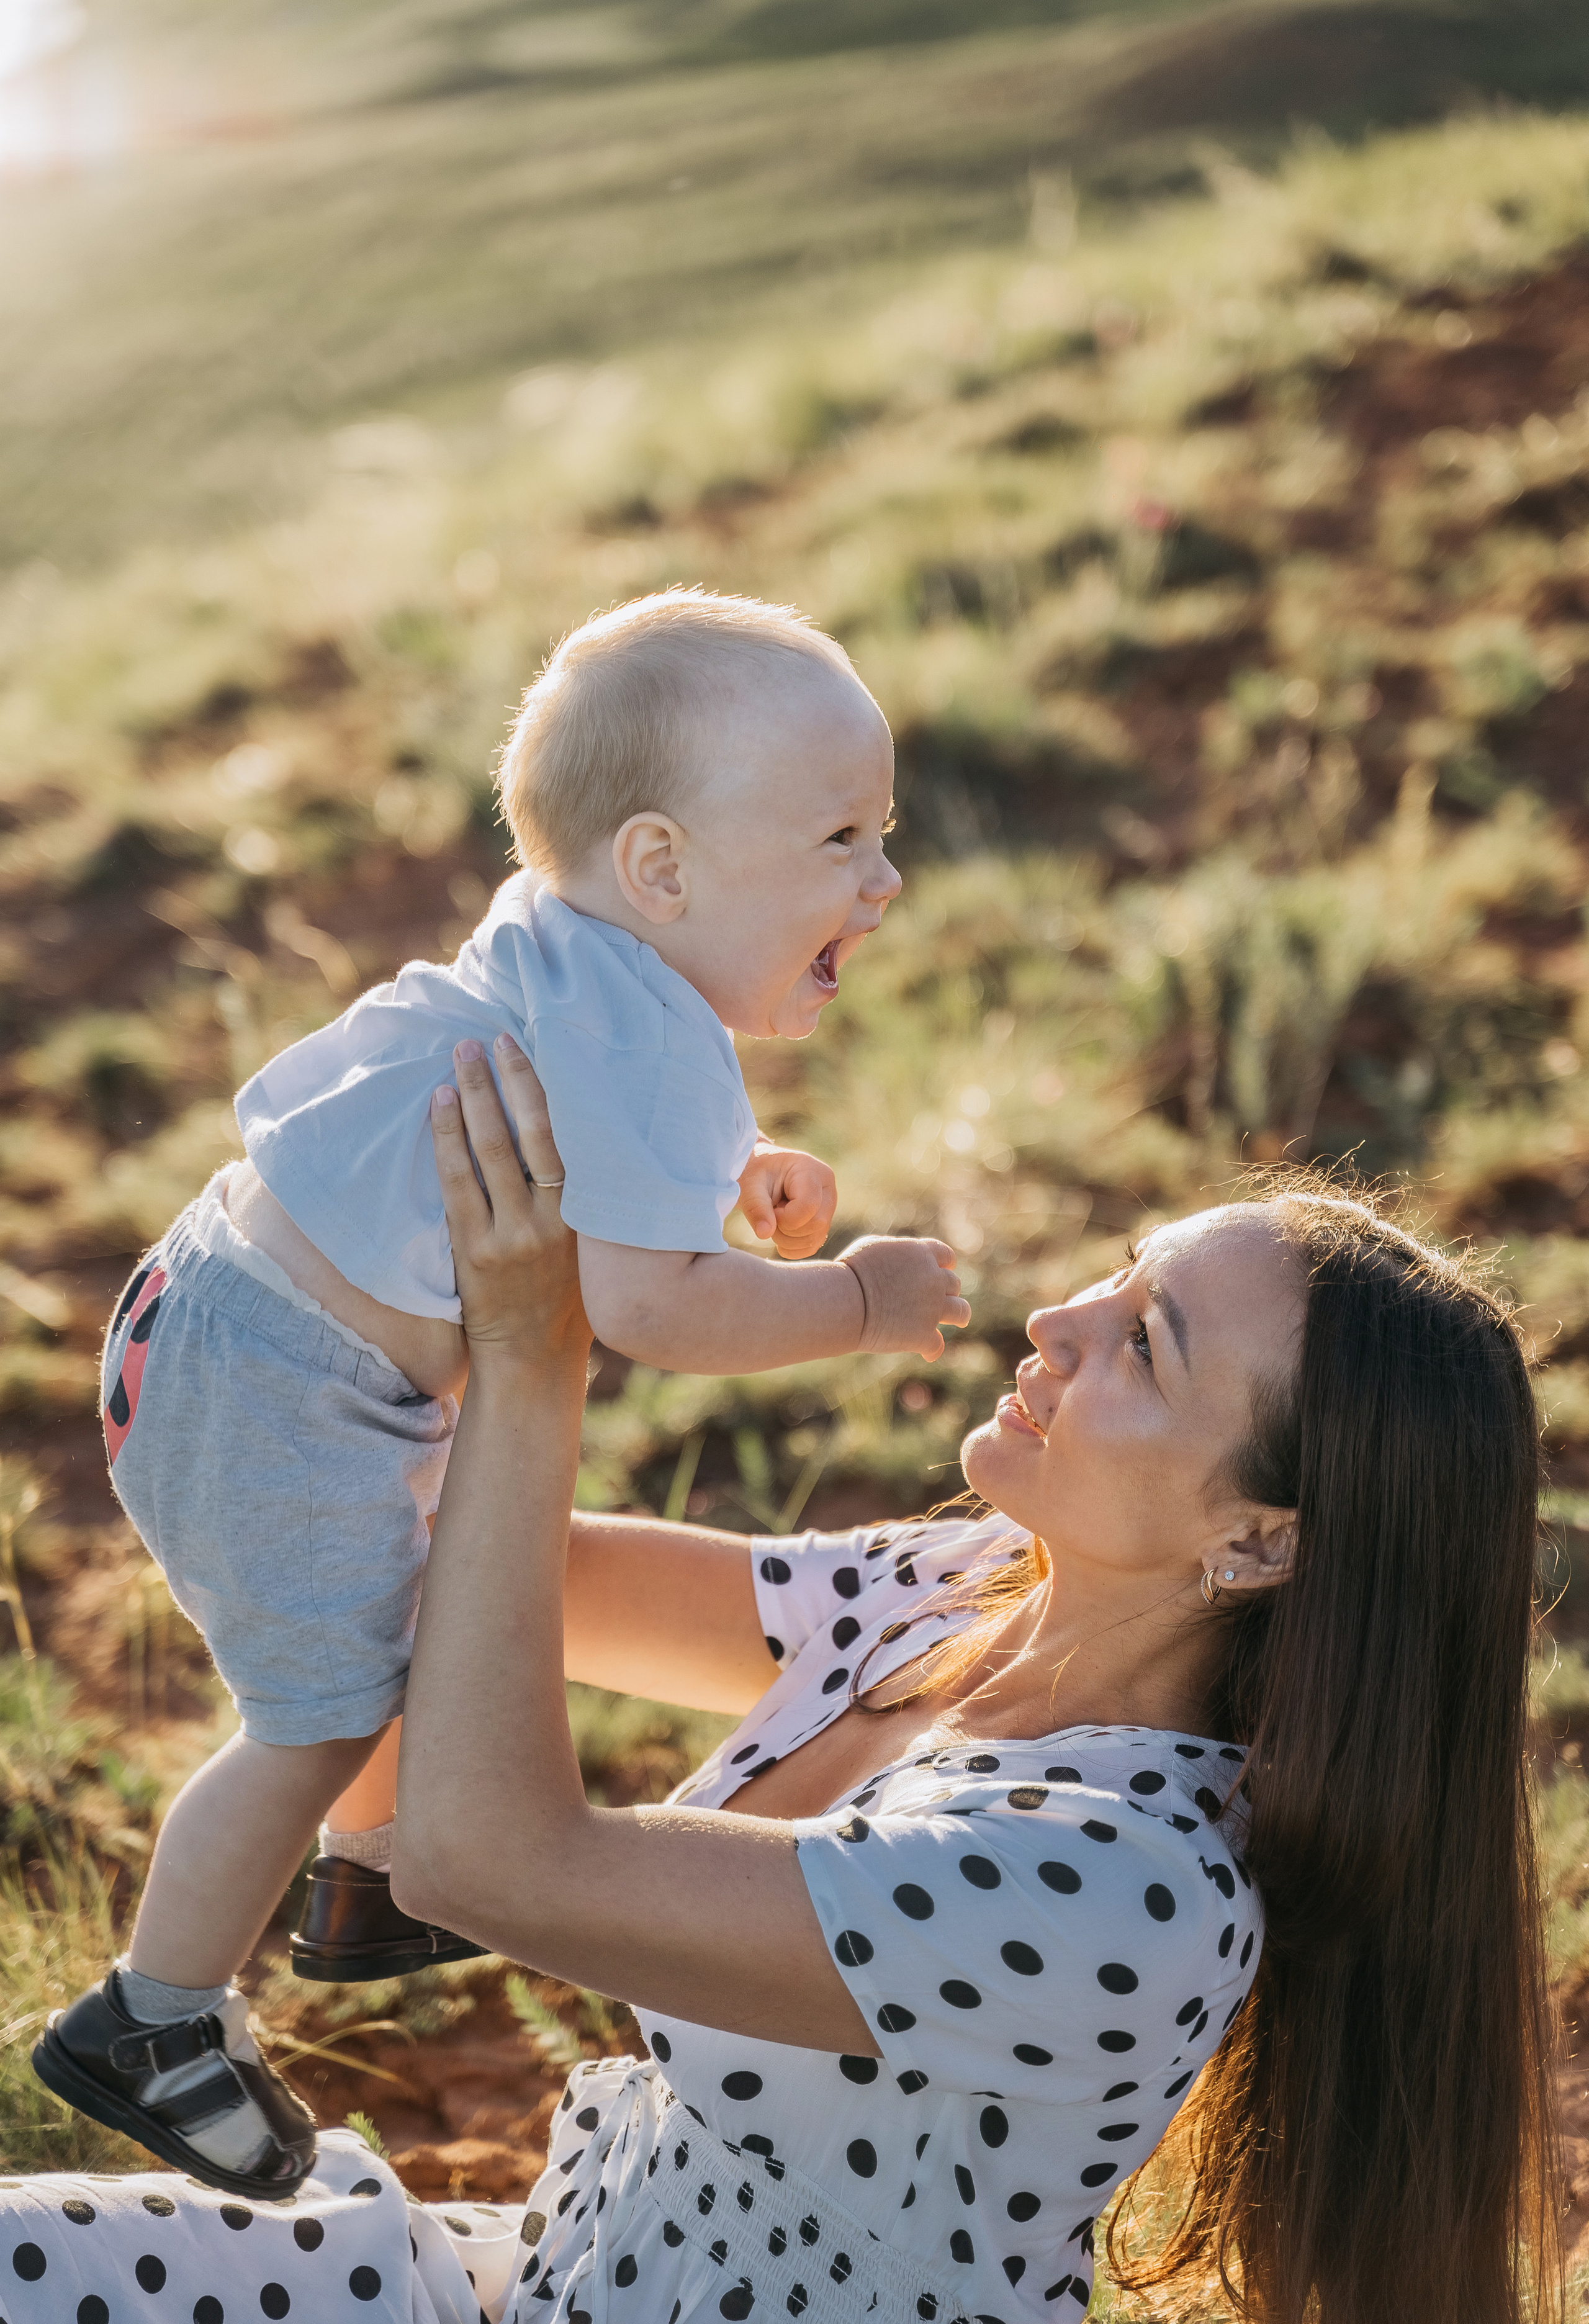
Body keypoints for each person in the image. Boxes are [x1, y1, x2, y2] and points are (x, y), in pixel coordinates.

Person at [6, 1045, 1559, 2324]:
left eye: (1141, 1343)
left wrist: (540, 1357)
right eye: (1112, 1277)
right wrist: (325, 1348)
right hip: (540, 2276)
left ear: (1257, 1538)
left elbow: (484, 1857)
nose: (1055, 1321)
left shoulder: (1122, 1888)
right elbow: (479, 1581)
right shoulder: (954, 1596)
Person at [34, 592, 967, 2200]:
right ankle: (154, 2015)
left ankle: (367, 1886)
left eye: (882, 834)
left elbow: (601, 1137)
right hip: (273, 1385)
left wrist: (739, 1172)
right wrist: (855, 1303)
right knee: (320, 1705)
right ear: (664, 869)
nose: (885, 880)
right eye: (840, 839)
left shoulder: (582, 948)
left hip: (221, 1318)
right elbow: (649, 1305)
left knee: (413, 1597)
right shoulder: (650, 1024)